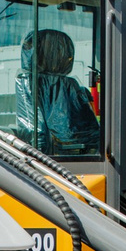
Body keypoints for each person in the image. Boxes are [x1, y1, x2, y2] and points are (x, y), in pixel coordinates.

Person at [20, 27, 101, 155]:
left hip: (81, 150)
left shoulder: (71, 85)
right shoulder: (29, 83)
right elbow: (37, 133)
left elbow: (92, 130)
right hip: (52, 157)